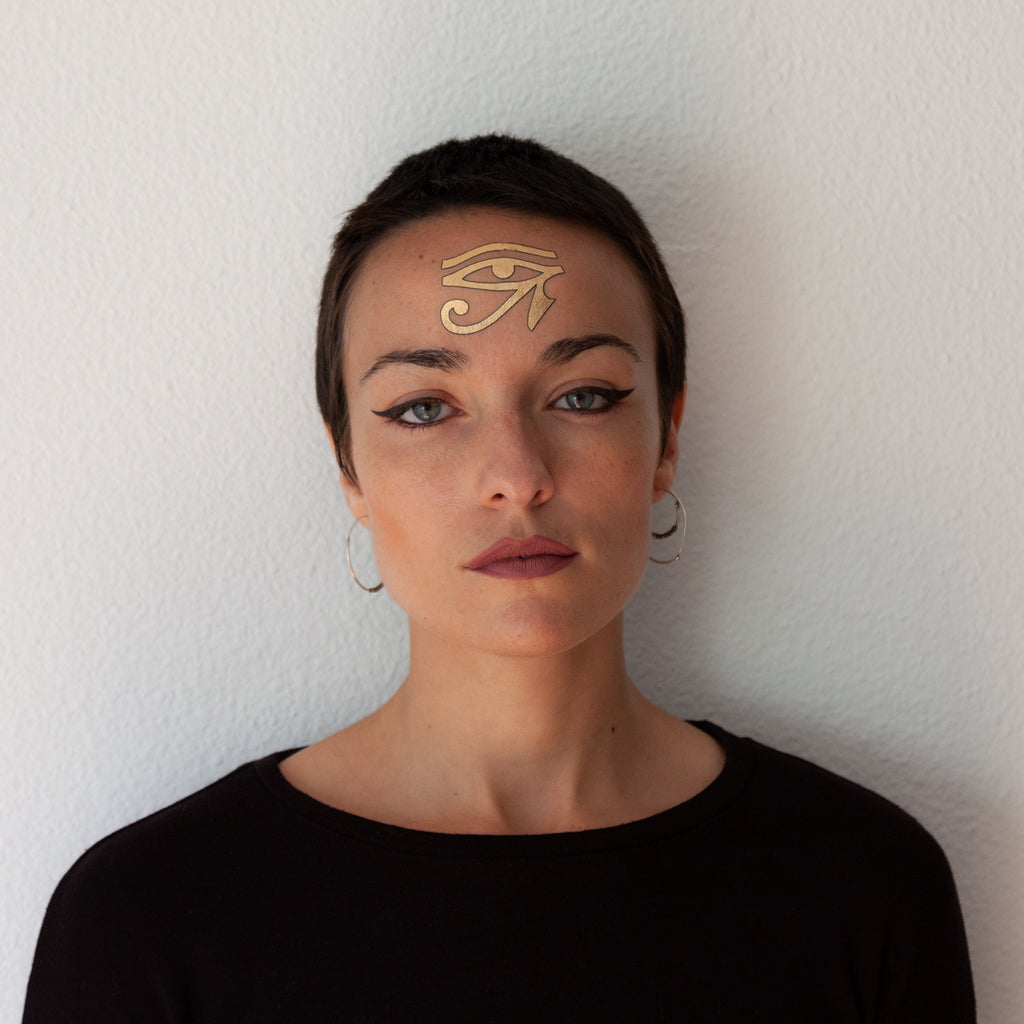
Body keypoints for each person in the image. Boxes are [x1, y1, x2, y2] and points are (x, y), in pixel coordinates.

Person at [24, 135, 974, 1022]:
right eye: (425, 408)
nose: (517, 475)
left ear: (666, 439)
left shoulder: (867, 885)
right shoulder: (144, 919)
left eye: (582, 396)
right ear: (348, 466)